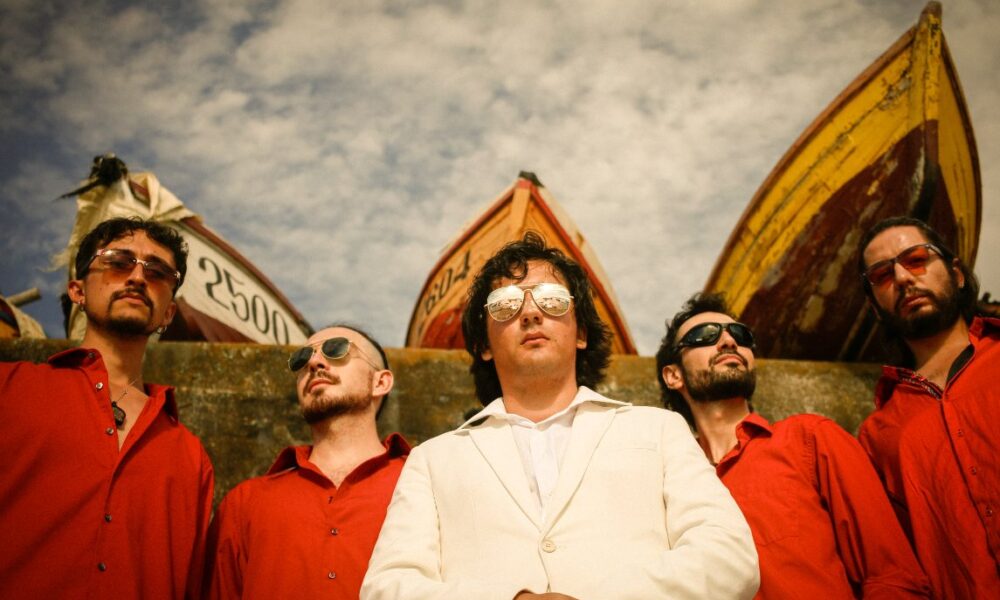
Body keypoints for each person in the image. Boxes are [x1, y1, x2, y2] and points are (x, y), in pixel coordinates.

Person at [362, 234, 759, 600]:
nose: (530, 313)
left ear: (580, 333)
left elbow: (729, 556)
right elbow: (387, 585)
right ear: (484, 345)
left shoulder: (659, 430)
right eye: (505, 304)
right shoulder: (431, 460)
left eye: (552, 299)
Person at [656, 292, 931, 598]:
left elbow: (892, 575)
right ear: (673, 375)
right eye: (704, 335)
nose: (729, 341)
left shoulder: (811, 438)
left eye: (740, 334)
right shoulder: (667, 486)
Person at [0, 217, 214, 599]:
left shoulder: (192, 458)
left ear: (168, 314)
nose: (137, 277)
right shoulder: (8, 390)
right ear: (78, 290)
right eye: (118, 261)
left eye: (157, 272)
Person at [204, 324, 409, 599]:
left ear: (380, 382)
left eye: (336, 349)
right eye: (302, 358)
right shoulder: (245, 503)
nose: (314, 363)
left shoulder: (423, 484)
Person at [856, 216, 1000, 598]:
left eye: (917, 259)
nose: (903, 278)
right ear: (875, 308)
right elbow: (895, 569)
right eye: (883, 275)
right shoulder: (877, 436)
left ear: (957, 274)